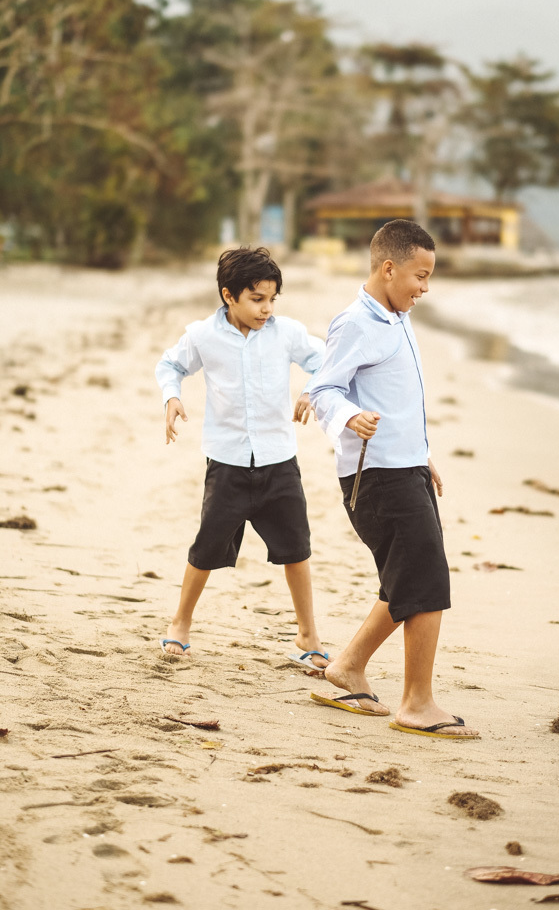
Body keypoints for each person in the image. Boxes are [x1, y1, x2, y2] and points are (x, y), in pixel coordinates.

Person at [309, 219, 480, 739]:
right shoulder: (356, 322)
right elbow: (322, 390)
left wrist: (421, 455)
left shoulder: (396, 315)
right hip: (375, 477)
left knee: (407, 577)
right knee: (425, 580)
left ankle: (348, 666)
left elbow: (399, 399)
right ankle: (416, 704)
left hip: (404, 467)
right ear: (389, 268)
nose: (424, 289)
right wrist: (347, 418)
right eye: (419, 276)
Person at [155, 246, 329, 673]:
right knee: (206, 546)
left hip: (279, 461)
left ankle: (307, 635)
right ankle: (181, 623)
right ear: (228, 295)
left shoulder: (286, 333)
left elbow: (325, 360)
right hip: (228, 462)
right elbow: (170, 364)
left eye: (271, 299)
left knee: (296, 550)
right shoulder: (202, 335)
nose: (266, 309)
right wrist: (172, 398)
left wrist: (313, 389)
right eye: (256, 299)